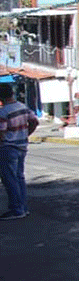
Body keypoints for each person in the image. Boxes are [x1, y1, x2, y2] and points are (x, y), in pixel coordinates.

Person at [0, 83, 39, 220]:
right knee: (19, 177)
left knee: (9, 179)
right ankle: (23, 207)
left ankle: (17, 209)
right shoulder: (23, 107)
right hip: (22, 145)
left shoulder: (3, 112)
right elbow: (34, 121)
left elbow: (2, 132)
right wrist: (26, 134)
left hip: (8, 147)